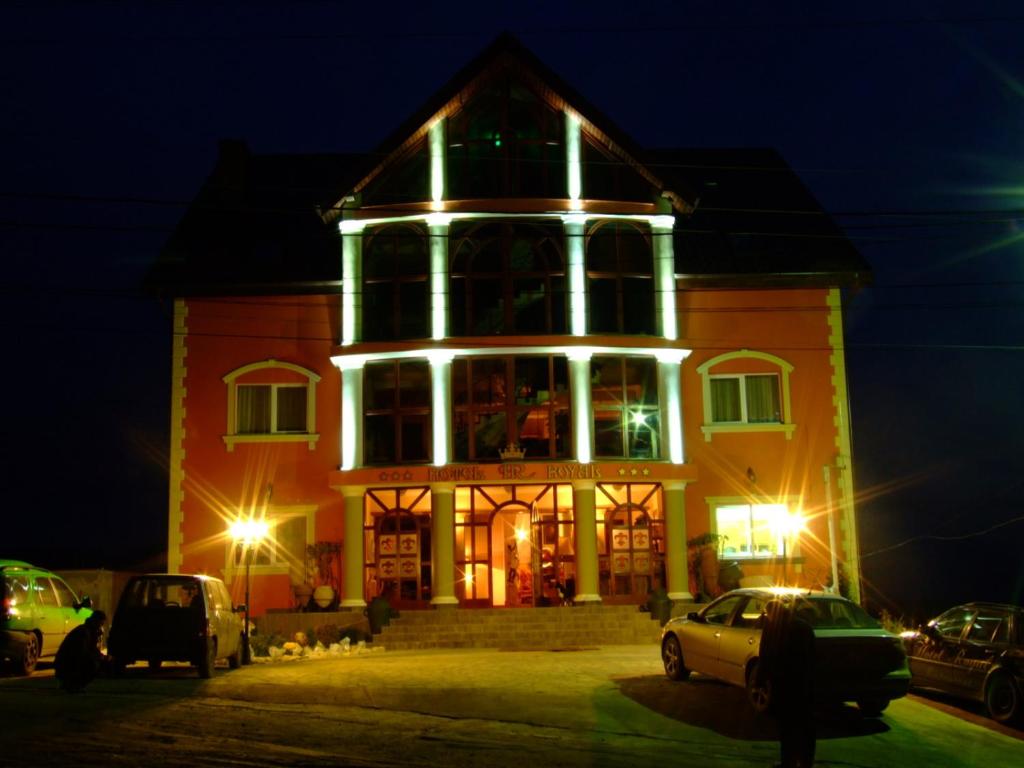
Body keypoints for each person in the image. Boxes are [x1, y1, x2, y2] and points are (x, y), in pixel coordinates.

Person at [758, 599, 817, 768]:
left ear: (771, 614)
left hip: (783, 685)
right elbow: (813, 656)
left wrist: (762, 680)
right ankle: (806, 761)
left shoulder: (772, 629)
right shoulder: (804, 627)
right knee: (806, 726)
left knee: (787, 727)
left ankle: (788, 761)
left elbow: (766, 655)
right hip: (803, 685)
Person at [54, 610, 108, 693]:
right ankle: (72, 684)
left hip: (66, 665)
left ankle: (72, 684)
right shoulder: (84, 633)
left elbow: (91, 650)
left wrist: (103, 657)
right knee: (93, 664)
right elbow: (81, 654)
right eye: (101, 624)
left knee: (98, 662)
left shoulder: (87, 631)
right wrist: (99, 658)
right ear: (96, 622)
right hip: (66, 666)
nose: (101, 627)